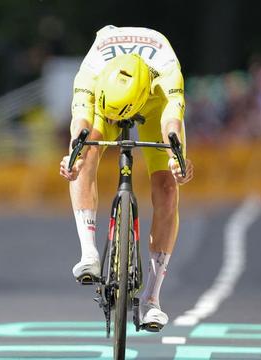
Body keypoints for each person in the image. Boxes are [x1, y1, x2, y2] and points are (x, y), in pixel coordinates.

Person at [59, 25, 194, 331]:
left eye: (116, 116)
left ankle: (152, 299)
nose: (114, 122)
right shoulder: (90, 72)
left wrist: (178, 160)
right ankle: (89, 253)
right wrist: (73, 157)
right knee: (84, 152)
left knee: (168, 189)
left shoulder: (168, 73)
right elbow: (79, 121)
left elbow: (171, 122)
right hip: (106, 97)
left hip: (154, 102)